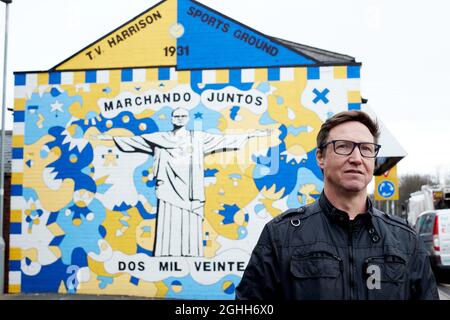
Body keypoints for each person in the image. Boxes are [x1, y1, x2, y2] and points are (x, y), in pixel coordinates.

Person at [236, 110, 439, 300]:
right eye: (343, 146)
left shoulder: (405, 240)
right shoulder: (280, 235)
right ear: (320, 157)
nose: (357, 159)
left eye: (366, 149)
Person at [94, 107, 269, 257]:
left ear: (187, 119)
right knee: (169, 219)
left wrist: (252, 135)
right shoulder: (160, 139)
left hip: (190, 189)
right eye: (176, 116)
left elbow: (224, 140)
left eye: (182, 116)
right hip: (168, 187)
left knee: (189, 219)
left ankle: (190, 251)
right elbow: (135, 141)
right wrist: (105, 138)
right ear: (172, 119)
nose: (179, 118)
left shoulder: (198, 138)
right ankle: (167, 251)